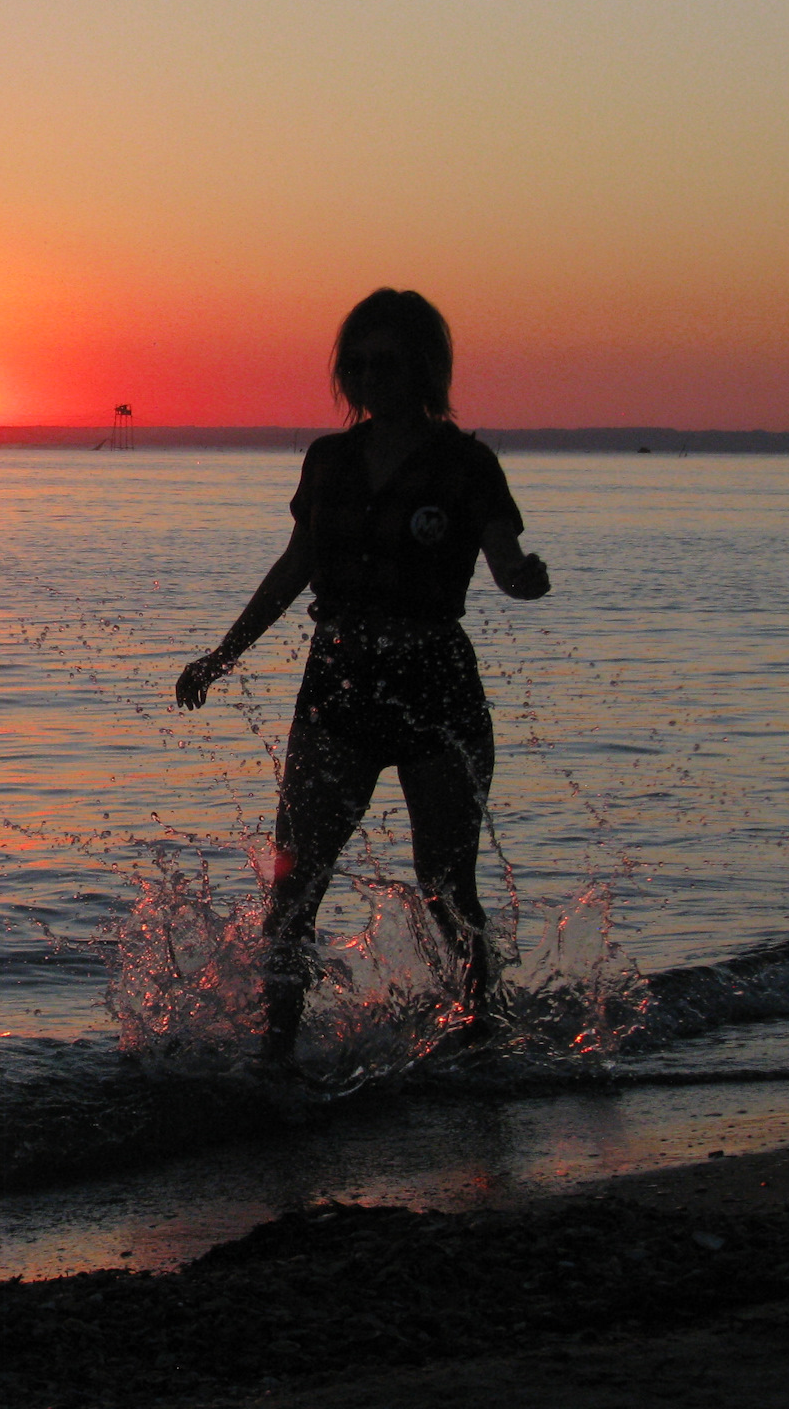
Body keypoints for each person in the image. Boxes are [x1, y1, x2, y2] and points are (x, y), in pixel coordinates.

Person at [175, 288, 549, 1061]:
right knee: (295, 887)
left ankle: (485, 1027)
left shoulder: (465, 463)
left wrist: (519, 578)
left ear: (423, 369)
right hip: (338, 689)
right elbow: (295, 567)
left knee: (446, 886)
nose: (370, 375)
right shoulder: (330, 461)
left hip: (434, 691)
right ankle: (277, 1054)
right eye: (358, 362)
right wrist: (222, 656)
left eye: (388, 361)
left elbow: (502, 550)